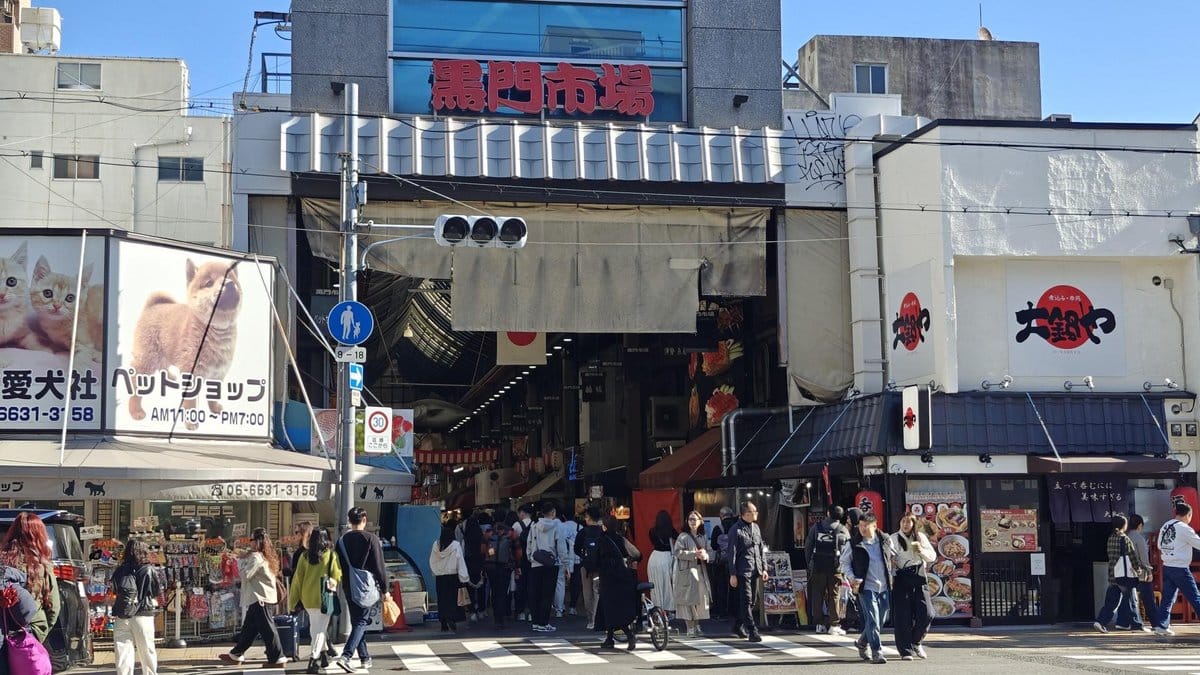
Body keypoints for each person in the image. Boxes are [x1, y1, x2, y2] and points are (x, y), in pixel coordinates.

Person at [220, 528, 286, 669]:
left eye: (251, 540)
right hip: (261, 597)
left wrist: (239, 562)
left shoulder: (256, 557)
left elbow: (246, 575)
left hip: (260, 598)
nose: (249, 543)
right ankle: (236, 654)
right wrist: (244, 556)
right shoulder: (263, 556)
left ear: (257, 542)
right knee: (249, 628)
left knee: (268, 629)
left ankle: (278, 658)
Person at [335, 507, 389, 673]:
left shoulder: (341, 541)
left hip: (348, 586)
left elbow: (338, 566)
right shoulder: (371, 539)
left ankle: (365, 657)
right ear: (364, 520)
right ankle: (346, 655)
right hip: (365, 587)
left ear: (349, 521)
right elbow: (379, 567)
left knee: (357, 621)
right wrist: (385, 589)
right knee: (360, 622)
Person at [840, 513, 896, 665]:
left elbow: (892, 558)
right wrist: (852, 578)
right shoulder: (854, 543)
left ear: (875, 526)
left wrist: (894, 573)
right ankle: (877, 651)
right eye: (861, 525)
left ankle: (861, 642)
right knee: (872, 619)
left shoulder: (885, 540)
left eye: (866, 526)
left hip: (884, 585)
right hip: (865, 586)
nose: (863, 529)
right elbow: (844, 562)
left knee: (881, 618)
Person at [0, 512, 59, 645]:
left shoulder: (2, 562)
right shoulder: (42, 565)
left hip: (3, 627)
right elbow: (54, 607)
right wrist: (42, 629)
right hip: (31, 626)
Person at [290, 528, 343, 674]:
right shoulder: (331, 555)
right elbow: (337, 575)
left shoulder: (304, 556)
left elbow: (297, 580)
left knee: (316, 626)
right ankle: (314, 659)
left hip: (307, 597)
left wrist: (293, 601)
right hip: (324, 597)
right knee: (319, 629)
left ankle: (324, 655)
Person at [1093, 514, 1150, 635]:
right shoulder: (1124, 538)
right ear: (1124, 526)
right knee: (1131, 600)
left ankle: (1101, 621)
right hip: (1124, 575)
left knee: (1111, 601)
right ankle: (1137, 625)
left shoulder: (1111, 538)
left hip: (1113, 574)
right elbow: (1132, 556)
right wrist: (1138, 569)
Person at [111, 539, 161, 675]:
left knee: (123, 653)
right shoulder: (148, 569)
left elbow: (115, 590)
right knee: (147, 652)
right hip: (143, 615)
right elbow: (156, 591)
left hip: (123, 615)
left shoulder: (120, 570)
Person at [890, 513, 936, 661]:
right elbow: (888, 558)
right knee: (903, 616)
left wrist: (921, 551)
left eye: (909, 522)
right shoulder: (893, 538)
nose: (905, 525)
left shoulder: (920, 537)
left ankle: (916, 641)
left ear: (914, 524)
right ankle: (905, 651)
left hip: (919, 576)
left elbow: (932, 556)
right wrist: (892, 564)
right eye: (903, 521)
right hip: (901, 577)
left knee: (927, 613)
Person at [1154, 502, 1200, 636]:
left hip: (1167, 566)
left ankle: (1161, 625)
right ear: (1188, 515)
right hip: (1180, 568)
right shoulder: (1184, 528)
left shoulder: (1166, 525)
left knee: (1168, 598)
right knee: (1195, 597)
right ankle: (1162, 625)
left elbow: (1159, 545)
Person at [805, 505, 850, 636]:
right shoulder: (843, 530)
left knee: (817, 594)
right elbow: (848, 550)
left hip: (818, 565)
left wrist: (809, 563)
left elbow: (808, 545)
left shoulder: (817, 527)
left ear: (828, 513)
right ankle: (834, 624)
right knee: (834, 595)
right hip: (835, 567)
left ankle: (819, 624)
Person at [726, 501, 767, 642]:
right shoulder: (735, 530)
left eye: (755, 512)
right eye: (750, 512)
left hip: (755, 568)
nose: (754, 514)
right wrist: (732, 573)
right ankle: (752, 630)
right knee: (747, 599)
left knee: (752, 601)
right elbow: (731, 552)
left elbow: (760, 548)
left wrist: (764, 567)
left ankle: (738, 624)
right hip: (742, 569)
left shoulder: (756, 528)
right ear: (743, 514)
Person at [596, 515, 638, 651]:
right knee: (619, 609)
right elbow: (637, 554)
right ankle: (609, 638)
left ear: (605, 526)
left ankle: (629, 635)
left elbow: (596, 559)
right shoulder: (621, 539)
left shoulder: (602, 540)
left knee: (610, 610)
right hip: (623, 577)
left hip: (608, 579)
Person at [527, 501, 566, 632]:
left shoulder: (534, 526)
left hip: (536, 562)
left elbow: (529, 543)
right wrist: (563, 561)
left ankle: (536, 622)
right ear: (553, 513)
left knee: (536, 593)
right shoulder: (557, 526)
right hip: (551, 563)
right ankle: (544, 622)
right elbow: (560, 546)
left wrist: (531, 557)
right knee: (547, 594)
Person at [673, 511, 712, 637]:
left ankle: (697, 625)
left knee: (700, 599)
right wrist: (693, 554)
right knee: (688, 600)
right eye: (690, 519)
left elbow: (710, 552)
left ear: (701, 521)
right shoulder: (682, 536)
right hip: (687, 571)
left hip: (700, 571)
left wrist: (706, 555)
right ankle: (690, 627)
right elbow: (678, 552)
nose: (693, 522)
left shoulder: (703, 536)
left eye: (695, 519)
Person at [430, 522, 470, 633]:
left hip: (440, 577)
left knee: (442, 599)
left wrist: (436, 572)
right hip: (453, 577)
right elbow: (460, 561)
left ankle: (443, 622)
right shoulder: (455, 545)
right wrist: (464, 577)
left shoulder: (435, 545)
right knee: (452, 599)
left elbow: (432, 560)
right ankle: (451, 618)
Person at [1121, 514, 1155, 632]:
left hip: (1126, 571)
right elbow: (1144, 558)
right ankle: (1155, 622)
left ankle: (1123, 621)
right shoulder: (1139, 538)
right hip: (1139, 571)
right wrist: (1149, 572)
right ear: (1140, 525)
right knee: (1148, 598)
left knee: (1127, 597)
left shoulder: (1124, 536)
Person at [575, 507, 604, 630]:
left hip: (585, 567)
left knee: (587, 594)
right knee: (597, 592)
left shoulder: (583, 532)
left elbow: (576, 548)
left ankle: (590, 620)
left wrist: (583, 556)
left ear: (588, 518)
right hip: (599, 567)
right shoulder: (602, 532)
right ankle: (597, 619)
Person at [485, 521, 516, 628]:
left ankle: (496, 617)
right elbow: (517, 552)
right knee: (503, 593)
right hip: (505, 568)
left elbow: (484, 551)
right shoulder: (510, 534)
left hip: (491, 568)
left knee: (494, 592)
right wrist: (516, 566)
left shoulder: (489, 534)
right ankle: (501, 617)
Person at [709, 506, 738, 619]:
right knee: (735, 587)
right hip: (735, 561)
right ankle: (734, 611)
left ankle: (721, 611)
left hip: (721, 562)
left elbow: (714, 546)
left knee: (721, 587)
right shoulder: (736, 526)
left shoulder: (718, 528)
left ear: (721, 515)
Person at [648, 510, 677, 616]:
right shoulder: (671, 530)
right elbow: (678, 539)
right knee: (668, 584)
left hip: (654, 557)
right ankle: (668, 610)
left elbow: (652, 541)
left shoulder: (652, 531)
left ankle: (657, 609)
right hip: (667, 557)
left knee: (655, 585)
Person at [554, 512, 581, 618]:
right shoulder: (580, 527)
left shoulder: (559, 526)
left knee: (558, 583)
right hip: (575, 558)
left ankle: (559, 607)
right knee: (574, 583)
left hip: (556, 558)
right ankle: (572, 607)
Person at [513, 505, 534, 622]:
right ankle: (531, 612)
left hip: (520, 560)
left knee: (521, 587)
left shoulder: (516, 525)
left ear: (522, 512)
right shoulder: (535, 525)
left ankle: (520, 612)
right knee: (532, 587)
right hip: (533, 560)